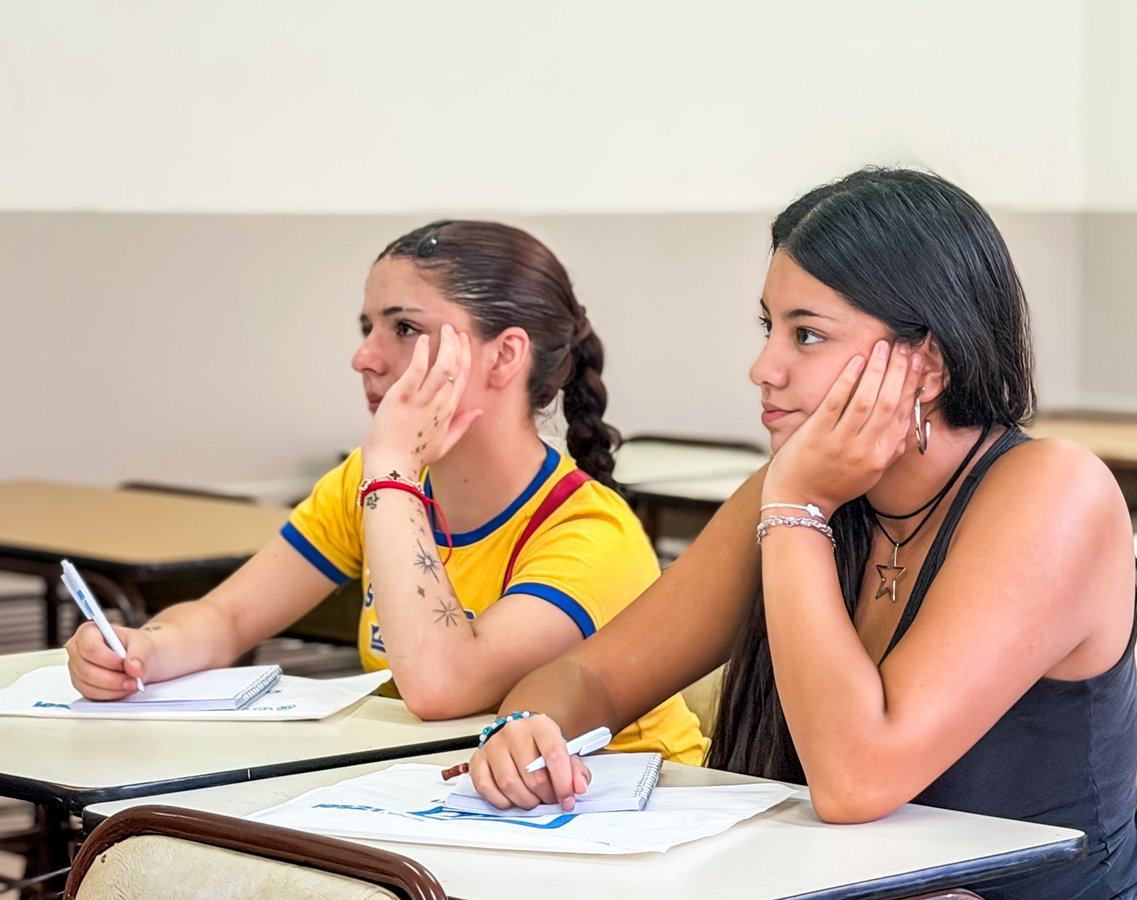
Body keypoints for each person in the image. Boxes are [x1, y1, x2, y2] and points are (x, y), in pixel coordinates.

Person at [466, 170, 1137, 898]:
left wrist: (798, 506)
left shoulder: (1053, 493)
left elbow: (857, 780)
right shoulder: (790, 495)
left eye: (807, 335)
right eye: (771, 328)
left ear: (924, 364)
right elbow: (591, 675)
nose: (764, 369)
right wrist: (526, 730)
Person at [64, 220, 707, 764]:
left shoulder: (589, 532)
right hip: (458, 807)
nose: (364, 357)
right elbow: (228, 617)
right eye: (367, 326)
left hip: (625, 828)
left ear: (505, 356)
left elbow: (440, 686)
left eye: (402, 329)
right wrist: (144, 649)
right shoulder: (373, 481)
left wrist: (394, 467)